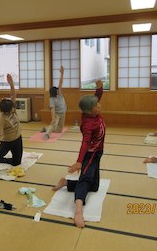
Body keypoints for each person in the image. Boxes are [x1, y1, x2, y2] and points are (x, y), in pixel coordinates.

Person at [52, 80, 105, 228]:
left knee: (94, 187)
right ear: (90, 110)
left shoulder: (93, 113)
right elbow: (85, 143)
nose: (99, 105)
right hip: (89, 156)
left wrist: (99, 88)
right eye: (96, 105)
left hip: (98, 153)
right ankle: (78, 211)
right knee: (85, 181)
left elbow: (97, 98)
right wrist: (80, 161)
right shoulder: (88, 124)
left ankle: (66, 182)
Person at [42, 66, 67, 140]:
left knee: (59, 131)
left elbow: (60, 83)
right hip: (57, 114)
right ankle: (47, 134)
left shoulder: (60, 94)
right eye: (57, 90)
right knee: (53, 124)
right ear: (54, 92)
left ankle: (46, 129)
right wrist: (53, 118)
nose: (58, 90)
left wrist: (62, 74)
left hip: (63, 112)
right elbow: (52, 109)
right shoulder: (52, 99)